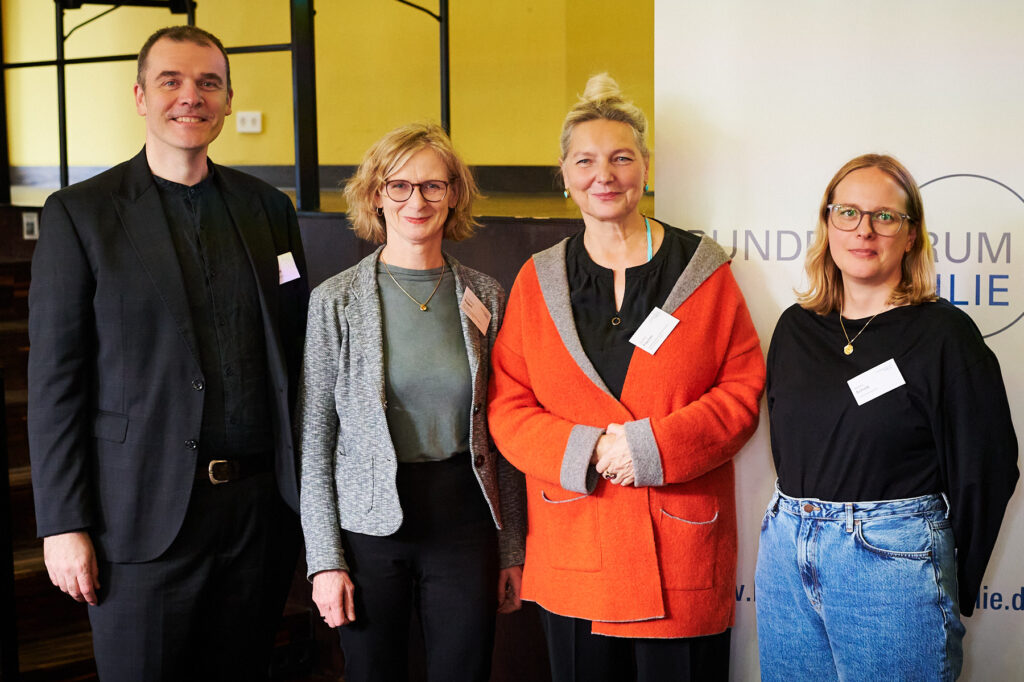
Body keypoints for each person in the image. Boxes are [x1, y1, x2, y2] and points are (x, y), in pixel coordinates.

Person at [27, 26, 308, 681]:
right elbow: (55, 383)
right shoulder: (80, 215)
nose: (191, 97)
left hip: (257, 517)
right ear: (139, 96)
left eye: (208, 83)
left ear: (229, 98)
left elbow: (295, 348)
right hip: (140, 521)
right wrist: (62, 524)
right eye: (171, 81)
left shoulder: (269, 210)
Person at [487, 73, 765, 682]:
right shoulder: (539, 280)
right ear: (563, 174)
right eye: (585, 160)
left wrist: (648, 447)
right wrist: (586, 449)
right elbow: (508, 404)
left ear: (644, 167)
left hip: (680, 548)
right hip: (576, 544)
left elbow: (742, 391)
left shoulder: (702, 270)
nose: (603, 174)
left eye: (621, 157)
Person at [755, 154, 1019, 681]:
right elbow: (788, 444)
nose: (864, 230)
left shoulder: (944, 334)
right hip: (786, 553)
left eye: (885, 216)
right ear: (828, 224)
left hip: (890, 561)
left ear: (912, 234)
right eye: (848, 213)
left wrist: (952, 574)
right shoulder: (794, 328)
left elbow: (987, 467)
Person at [298, 122, 526, 682]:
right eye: (399, 186)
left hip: (465, 520)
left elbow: (505, 430)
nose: (416, 201)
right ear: (377, 194)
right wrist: (325, 560)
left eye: (433, 186)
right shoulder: (336, 301)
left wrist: (511, 546)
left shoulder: (486, 294)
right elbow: (315, 439)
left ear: (454, 194)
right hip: (369, 526)